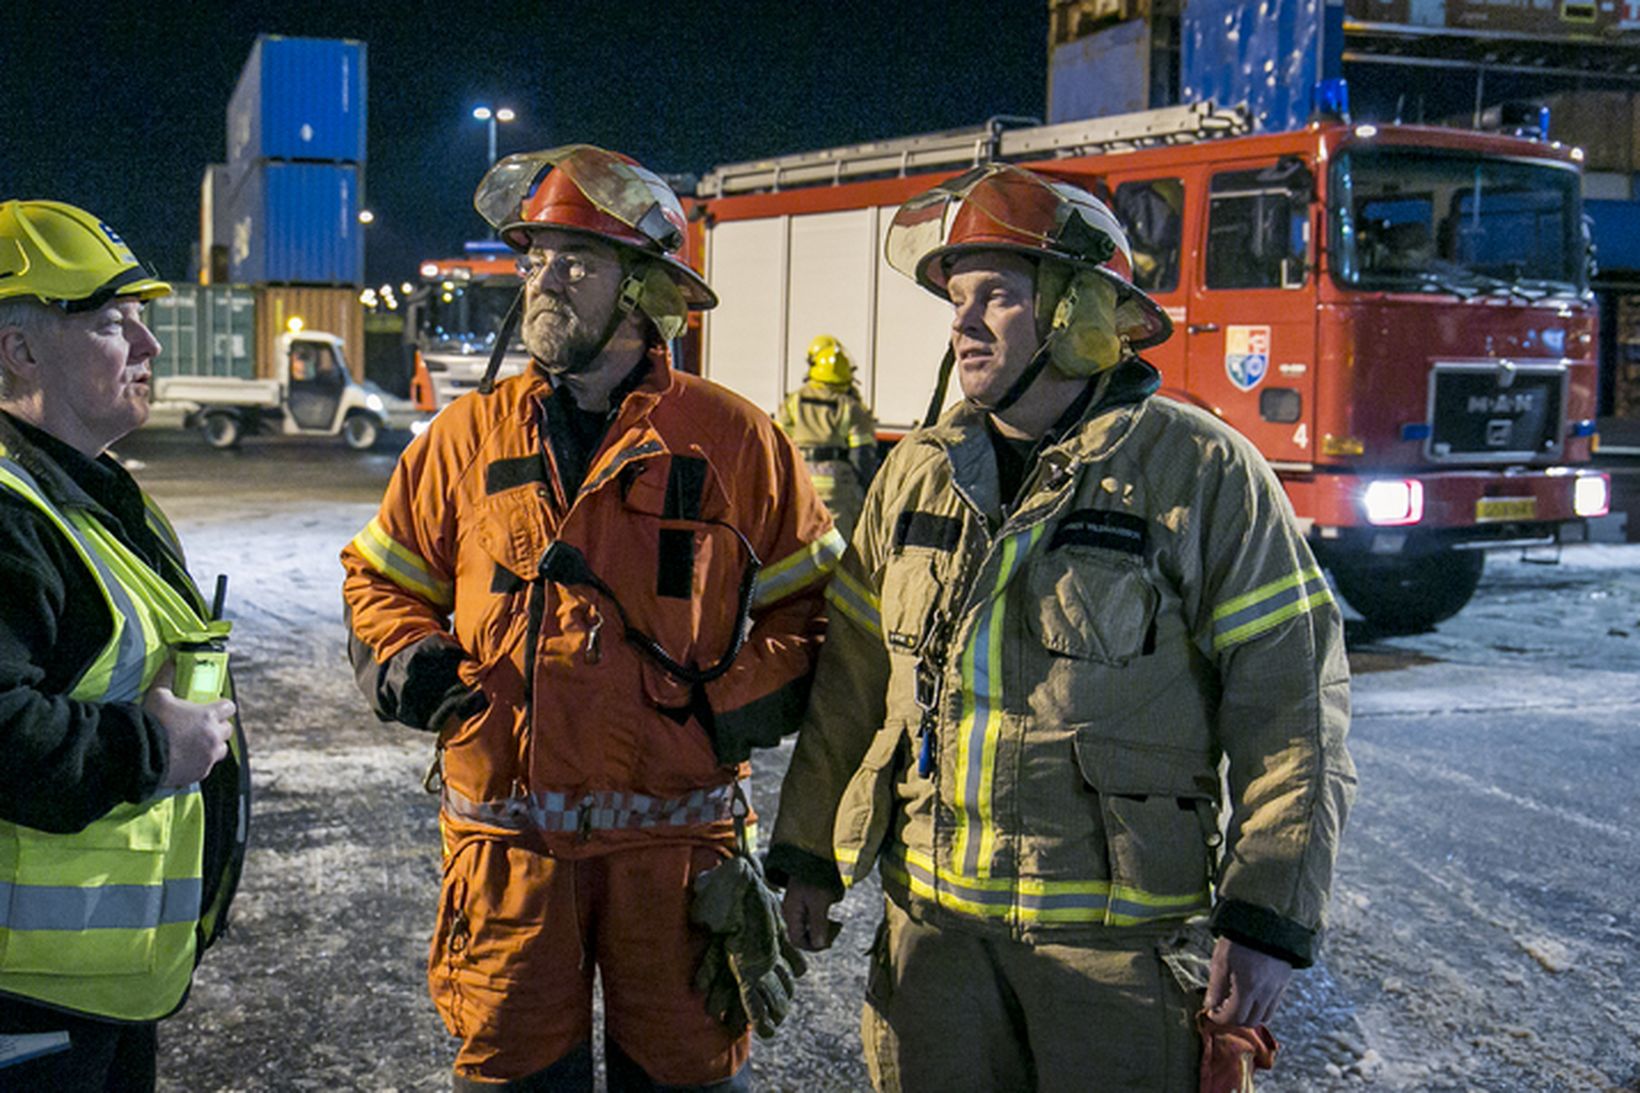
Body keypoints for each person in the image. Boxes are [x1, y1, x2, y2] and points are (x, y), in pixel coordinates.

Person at [767, 164, 1355, 1090]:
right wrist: (809, 849)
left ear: (1082, 309)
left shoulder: (1201, 473)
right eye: (957, 297)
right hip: (935, 942)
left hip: (1116, 963)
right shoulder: (915, 474)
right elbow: (851, 680)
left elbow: (1294, 711)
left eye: (995, 294)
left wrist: (1267, 915)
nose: (961, 321)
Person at [341, 145, 841, 1091]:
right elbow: (378, 580)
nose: (544, 281)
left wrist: (725, 709)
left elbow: (813, 610)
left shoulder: (733, 441)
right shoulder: (464, 438)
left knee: (686, 1077)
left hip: (676, 859)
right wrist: (410, 657)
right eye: (536, 259)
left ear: (647, 289)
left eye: (576, 261)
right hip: (508, 859)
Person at [0, 199, 249, 1090]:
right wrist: (154, 749)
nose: (148, 347)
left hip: (95, 990)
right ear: (20, 351)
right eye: (112, 323)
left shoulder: (92, 491)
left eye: (143, 321)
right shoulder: (8, 512)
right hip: (23, 1005)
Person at [775, 335, 880, 541]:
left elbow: (778, 447)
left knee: (802, 546)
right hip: (837, 493)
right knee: (837, 549)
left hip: (801, 487)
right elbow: (863, 457)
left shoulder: (794, 402)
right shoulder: (850, 408)